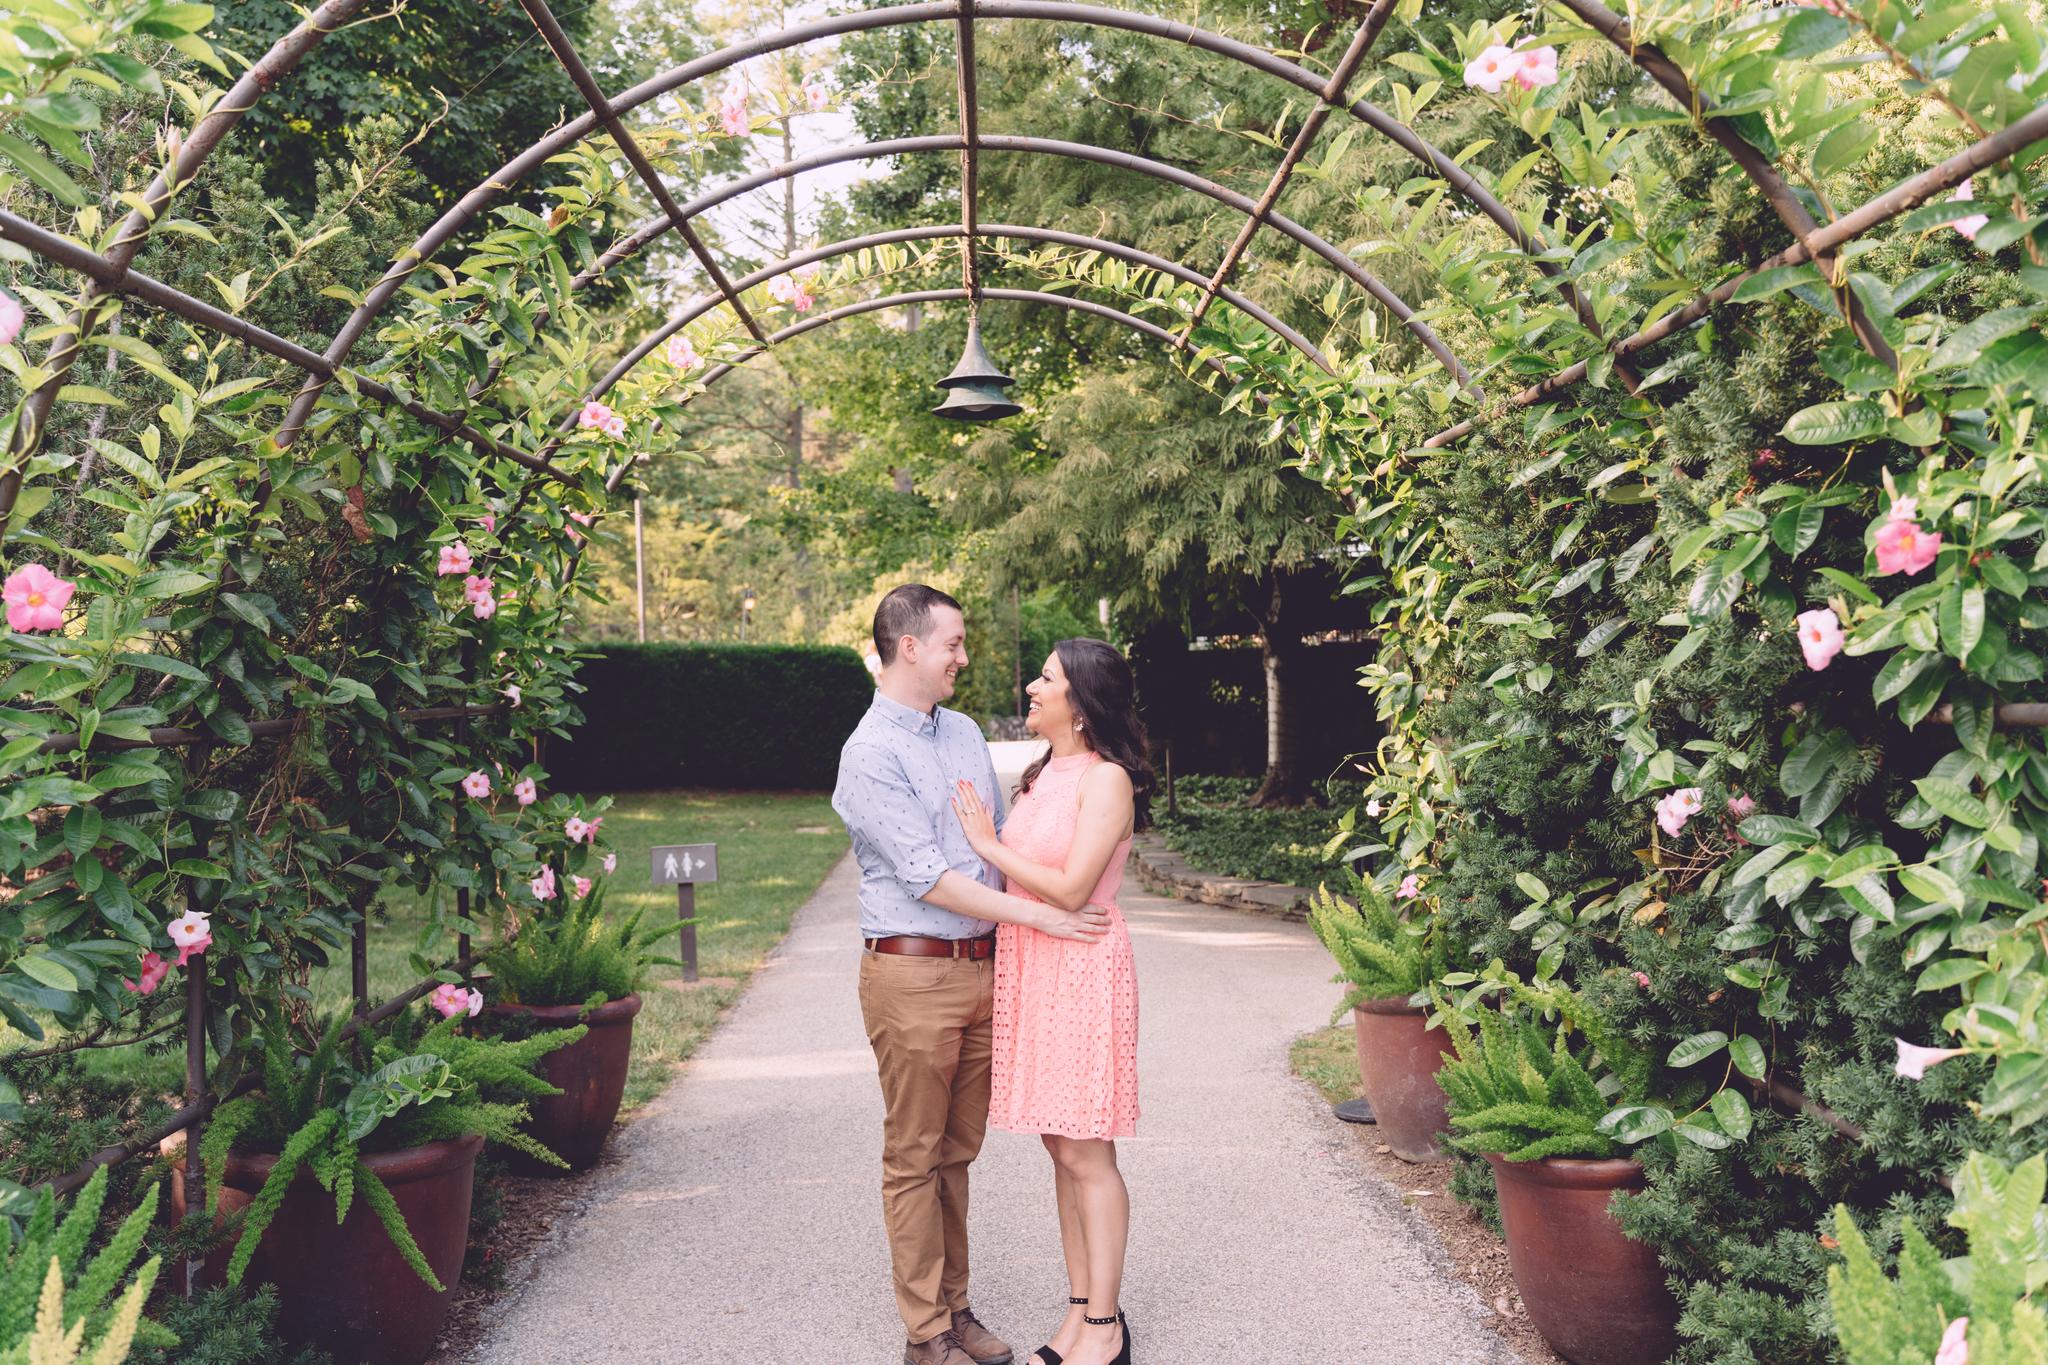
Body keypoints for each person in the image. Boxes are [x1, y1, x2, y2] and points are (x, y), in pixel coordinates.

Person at [834, 585, 1114, 1365]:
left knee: (958, 1153)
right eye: (953, 642)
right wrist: (1047, 918)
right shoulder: (869, 754)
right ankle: (926, 1332)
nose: (965, 654)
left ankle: (957, 1310)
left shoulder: (959, 733)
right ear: (910, 645)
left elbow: (996, 842)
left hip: (984, 972)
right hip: (912, 973)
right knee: (914, 1153)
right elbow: (928, 877)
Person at [950, 638, 1151, 1365]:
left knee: (1087, 1150)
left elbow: (1068, 886)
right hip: (1036, 964)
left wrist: (985, 841)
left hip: (1083, 966)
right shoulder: (1042, 774)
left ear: (1081, 699)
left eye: (1046, 678)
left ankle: (1106, 1327)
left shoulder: (1108, 780)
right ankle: (1077, 1313)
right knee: (1058, 1145)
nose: (1032, 687)